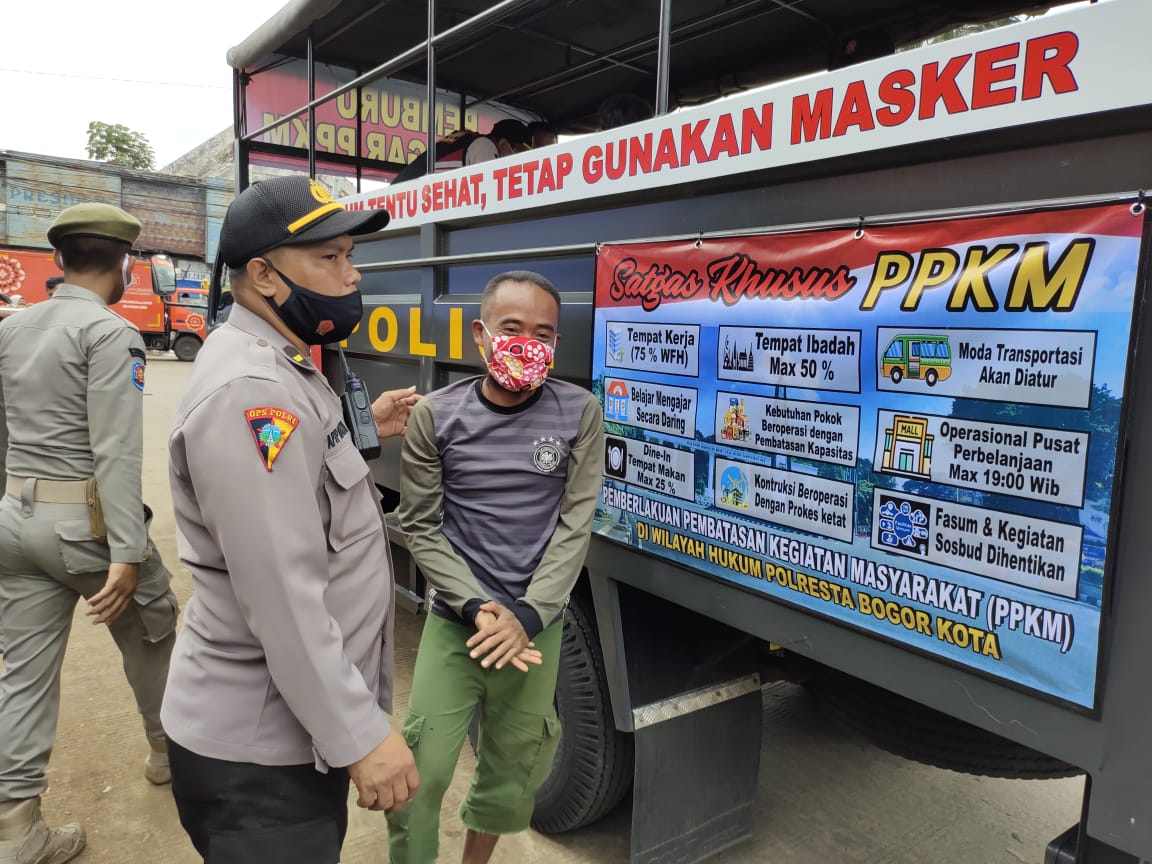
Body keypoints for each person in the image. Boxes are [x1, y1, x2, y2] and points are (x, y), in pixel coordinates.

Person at [162, 175, 420, 863]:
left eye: (349, 257)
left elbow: (303, 485)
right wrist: (359, 733)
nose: (352, 275)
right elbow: (281, 594)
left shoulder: (287, 366)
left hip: (284, 739)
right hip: (260, 760)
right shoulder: (253, 394)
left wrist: (362, 432)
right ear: (263, 275)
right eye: (329, 258)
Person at [387, 271, 604, 864]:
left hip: (536, 629)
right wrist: (475, 606)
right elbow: (420, 524)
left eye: (543, 333)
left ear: (556, 343)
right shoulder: (437, 415)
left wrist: (528, 615)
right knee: (421, 773)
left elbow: (575, 523)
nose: (528, 343)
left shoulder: (579, 412)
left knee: (513, 770)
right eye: (512, 328)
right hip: (458, 623)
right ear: (480, 335)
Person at [0, 203, 179, 864]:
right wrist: (127, 553)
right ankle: (167, 756)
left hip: (15, 518)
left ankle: (16, 831)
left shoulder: (12, 327)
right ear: (125, 264)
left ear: (60, 259)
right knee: (153, 633)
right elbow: (116, 451)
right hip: (86, 528)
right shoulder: (110, 333)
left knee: (23, 675)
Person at [390, 119, 532, 184]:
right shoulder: (484, 146)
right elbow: (490, 191)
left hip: (405, 198)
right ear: (503, 144)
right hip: (410, 200)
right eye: (519, 150)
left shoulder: (469, 139)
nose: (521, 156)